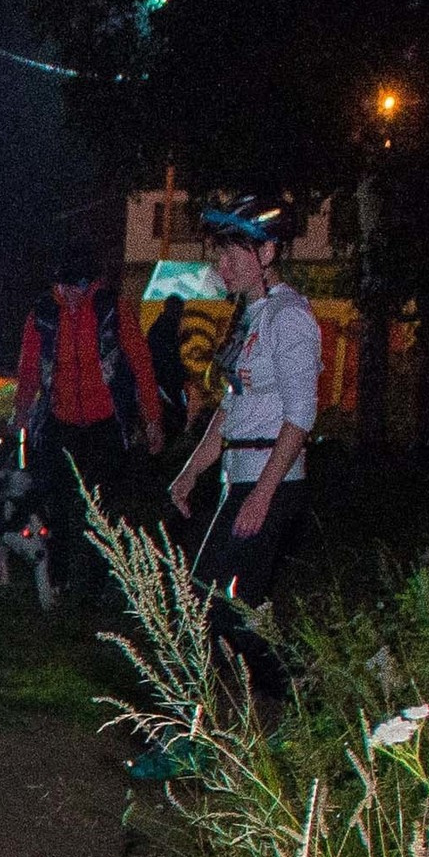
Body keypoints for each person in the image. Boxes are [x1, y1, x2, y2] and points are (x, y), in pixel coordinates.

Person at [167, 195, 317, 700]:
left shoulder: (290, 318)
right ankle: (298, 693)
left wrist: (263, 495)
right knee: (239, 608)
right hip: (242, 474)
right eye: (219, 254)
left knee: (203, 596)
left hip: (268, 480)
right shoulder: (251, 315)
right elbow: (231, 409)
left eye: (233, 254)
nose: (221, 265)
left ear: (268, 253)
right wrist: (191, 472)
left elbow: (301, 416)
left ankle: (186, 725)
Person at [10, 254, 163, 592]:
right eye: (65, 285)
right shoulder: (43, 314)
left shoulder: (112, 309)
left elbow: (140, 363)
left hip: (104, 423)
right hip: (59, 421)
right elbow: (29, 369)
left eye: (80, 285)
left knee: (101, 507)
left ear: (91, 284)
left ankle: (96, 583)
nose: (72, 293)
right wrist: (21, 413)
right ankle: (57, 576)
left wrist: (152, 418)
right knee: (56, 502)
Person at [146, 293, 193, 445]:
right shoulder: (163, 331)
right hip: (165, 382)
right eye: (178, 310)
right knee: (174, 414)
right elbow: (167, 359)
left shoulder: (164, 329)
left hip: (169, 381)